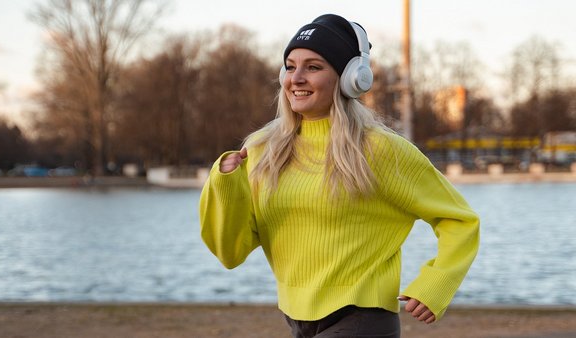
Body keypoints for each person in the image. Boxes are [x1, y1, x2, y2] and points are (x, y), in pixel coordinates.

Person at [199, 13, 479, 338]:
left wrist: (436, 283)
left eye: (313, 67)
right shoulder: (263, 152)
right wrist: (225, 184)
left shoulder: (380, 149)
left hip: (363, 317)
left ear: (350, 78)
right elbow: (230, 252)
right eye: (290, 66)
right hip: (296, 318)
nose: (297, 78)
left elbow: (460, 220)